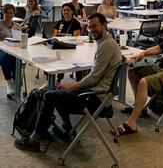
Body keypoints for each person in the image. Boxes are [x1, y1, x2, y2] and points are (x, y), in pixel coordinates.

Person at [14, 13, 122, 152]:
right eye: (89, 27)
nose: (92, 30)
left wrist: (72, 85)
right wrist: (72, 87)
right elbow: (95, 76)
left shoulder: (107, 45)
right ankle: (66, 128)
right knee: (59, 91)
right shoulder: (106, 42)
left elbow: (94, 78)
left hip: (96, 97)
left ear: (104, 25)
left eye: (95, 26)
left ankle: (35, 139)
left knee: (50, 96)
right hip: (96, 92)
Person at [54, 3, 82, 84]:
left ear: (72, 12)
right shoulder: (59, 22)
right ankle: (58, 79)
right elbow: (54, 36)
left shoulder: (76, 23)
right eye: (64, 10)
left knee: (76, 60)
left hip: (71, 48)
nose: (66, 12)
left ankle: (79, 81)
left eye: (68, 10)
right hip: (59, 47)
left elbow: (75, 38)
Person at [0, 4, 22, 99]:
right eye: (7, 13)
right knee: (5, 58)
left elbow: (20, 40)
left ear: (14, 13)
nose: (9, 15)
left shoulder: (17, 26)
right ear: (3, 13)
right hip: (1, 50)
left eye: (11, 13)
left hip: (15, 50)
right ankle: (9, 83)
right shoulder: (0, 24)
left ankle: (15, 80)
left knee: (16, 58)